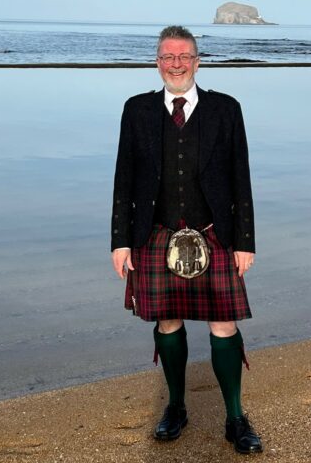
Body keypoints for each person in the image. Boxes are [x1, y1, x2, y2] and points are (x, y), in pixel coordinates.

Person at [110, 25, 262, 454]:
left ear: (198, 61)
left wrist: (245, 241)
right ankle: (176, 407)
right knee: (168, 321)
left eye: (184, 57)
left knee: (224, 324)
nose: (175, 64)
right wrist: (120, 241)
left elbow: (240, 180)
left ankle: (235, 417)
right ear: (157, 62)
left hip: (215, 235)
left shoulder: (226, 109)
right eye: (167, 57)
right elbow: (124, 178)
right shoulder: (136, 110)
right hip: (155, 235)